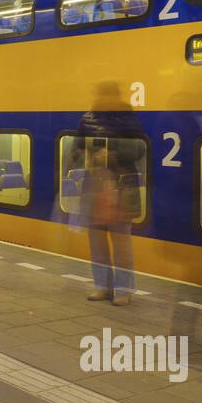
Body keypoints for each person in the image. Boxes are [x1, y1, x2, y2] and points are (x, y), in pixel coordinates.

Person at [73, 82, 143, 305]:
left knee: (121, 242)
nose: (104, 97)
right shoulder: (87, 118)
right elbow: (76, 146)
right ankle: (102, 286)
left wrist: (112, 154)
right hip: (95, 185)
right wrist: (83, 152)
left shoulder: (126, 118)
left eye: (107, 93)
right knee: (97, 241)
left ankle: (124, 289)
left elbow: (140, 147)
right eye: (101, 93)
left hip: (121, 186)